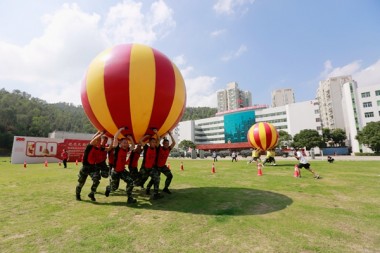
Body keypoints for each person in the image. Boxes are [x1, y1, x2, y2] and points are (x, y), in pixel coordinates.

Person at [105, 128, 137, 204]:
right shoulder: (117, 149)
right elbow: (115, 137)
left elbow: (133, 146)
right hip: (115, 171)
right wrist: (121, 129)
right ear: (120, 143)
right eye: (124, 143)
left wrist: (131, 138)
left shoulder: (126, 149)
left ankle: (129, 198)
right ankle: (108, 188)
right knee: (114, 188)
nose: (125, 144)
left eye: (126, 143)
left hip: (122, 170)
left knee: (131, 181)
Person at [75, 131, 105, 201]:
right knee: (81, 183)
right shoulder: (89, 147)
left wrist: (99, 132)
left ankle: (91, 193)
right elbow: (93, 139)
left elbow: (94, 138)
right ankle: (77, 195)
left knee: (96, 180)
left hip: (92, 167)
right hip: (85, 168)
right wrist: (101, 134)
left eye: (100, 141)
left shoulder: (98, 148)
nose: (100, 142)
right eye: (98, 141)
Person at [138, 129, 163, 200]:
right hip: (145, 169)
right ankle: (132, 187)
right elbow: (140, 141)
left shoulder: (156, 148)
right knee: (138, 182)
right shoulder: (146, 148)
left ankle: (155, 194)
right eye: (152, 142)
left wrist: (156, 133)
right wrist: (146, 136)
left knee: (157, 178)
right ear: (149, 142)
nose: (154, 143)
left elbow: (159, 139)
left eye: (155, 142)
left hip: (151, 168)